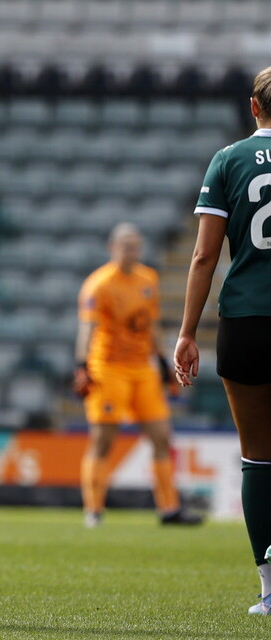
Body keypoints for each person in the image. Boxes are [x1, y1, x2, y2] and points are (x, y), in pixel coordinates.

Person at [174, 65, 271, 615]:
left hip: (247, 322)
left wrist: (187, 332)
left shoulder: (229, 159)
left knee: (258, 459)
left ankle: (268, 589)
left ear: (253, 107)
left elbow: (204, 256)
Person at [74, 223, 202, 528]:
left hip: (142, 367)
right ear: (113, 248)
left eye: (136, 246)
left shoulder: (148, 279)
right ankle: (94, 510)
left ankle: (169, 509)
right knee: (103, 440)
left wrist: (162, 362)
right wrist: (81, 365)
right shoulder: (99, 284)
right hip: (108, 368)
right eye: (126, 246)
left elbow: (151, 325)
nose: (132, 251)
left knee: (161, 437)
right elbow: (87, 328)